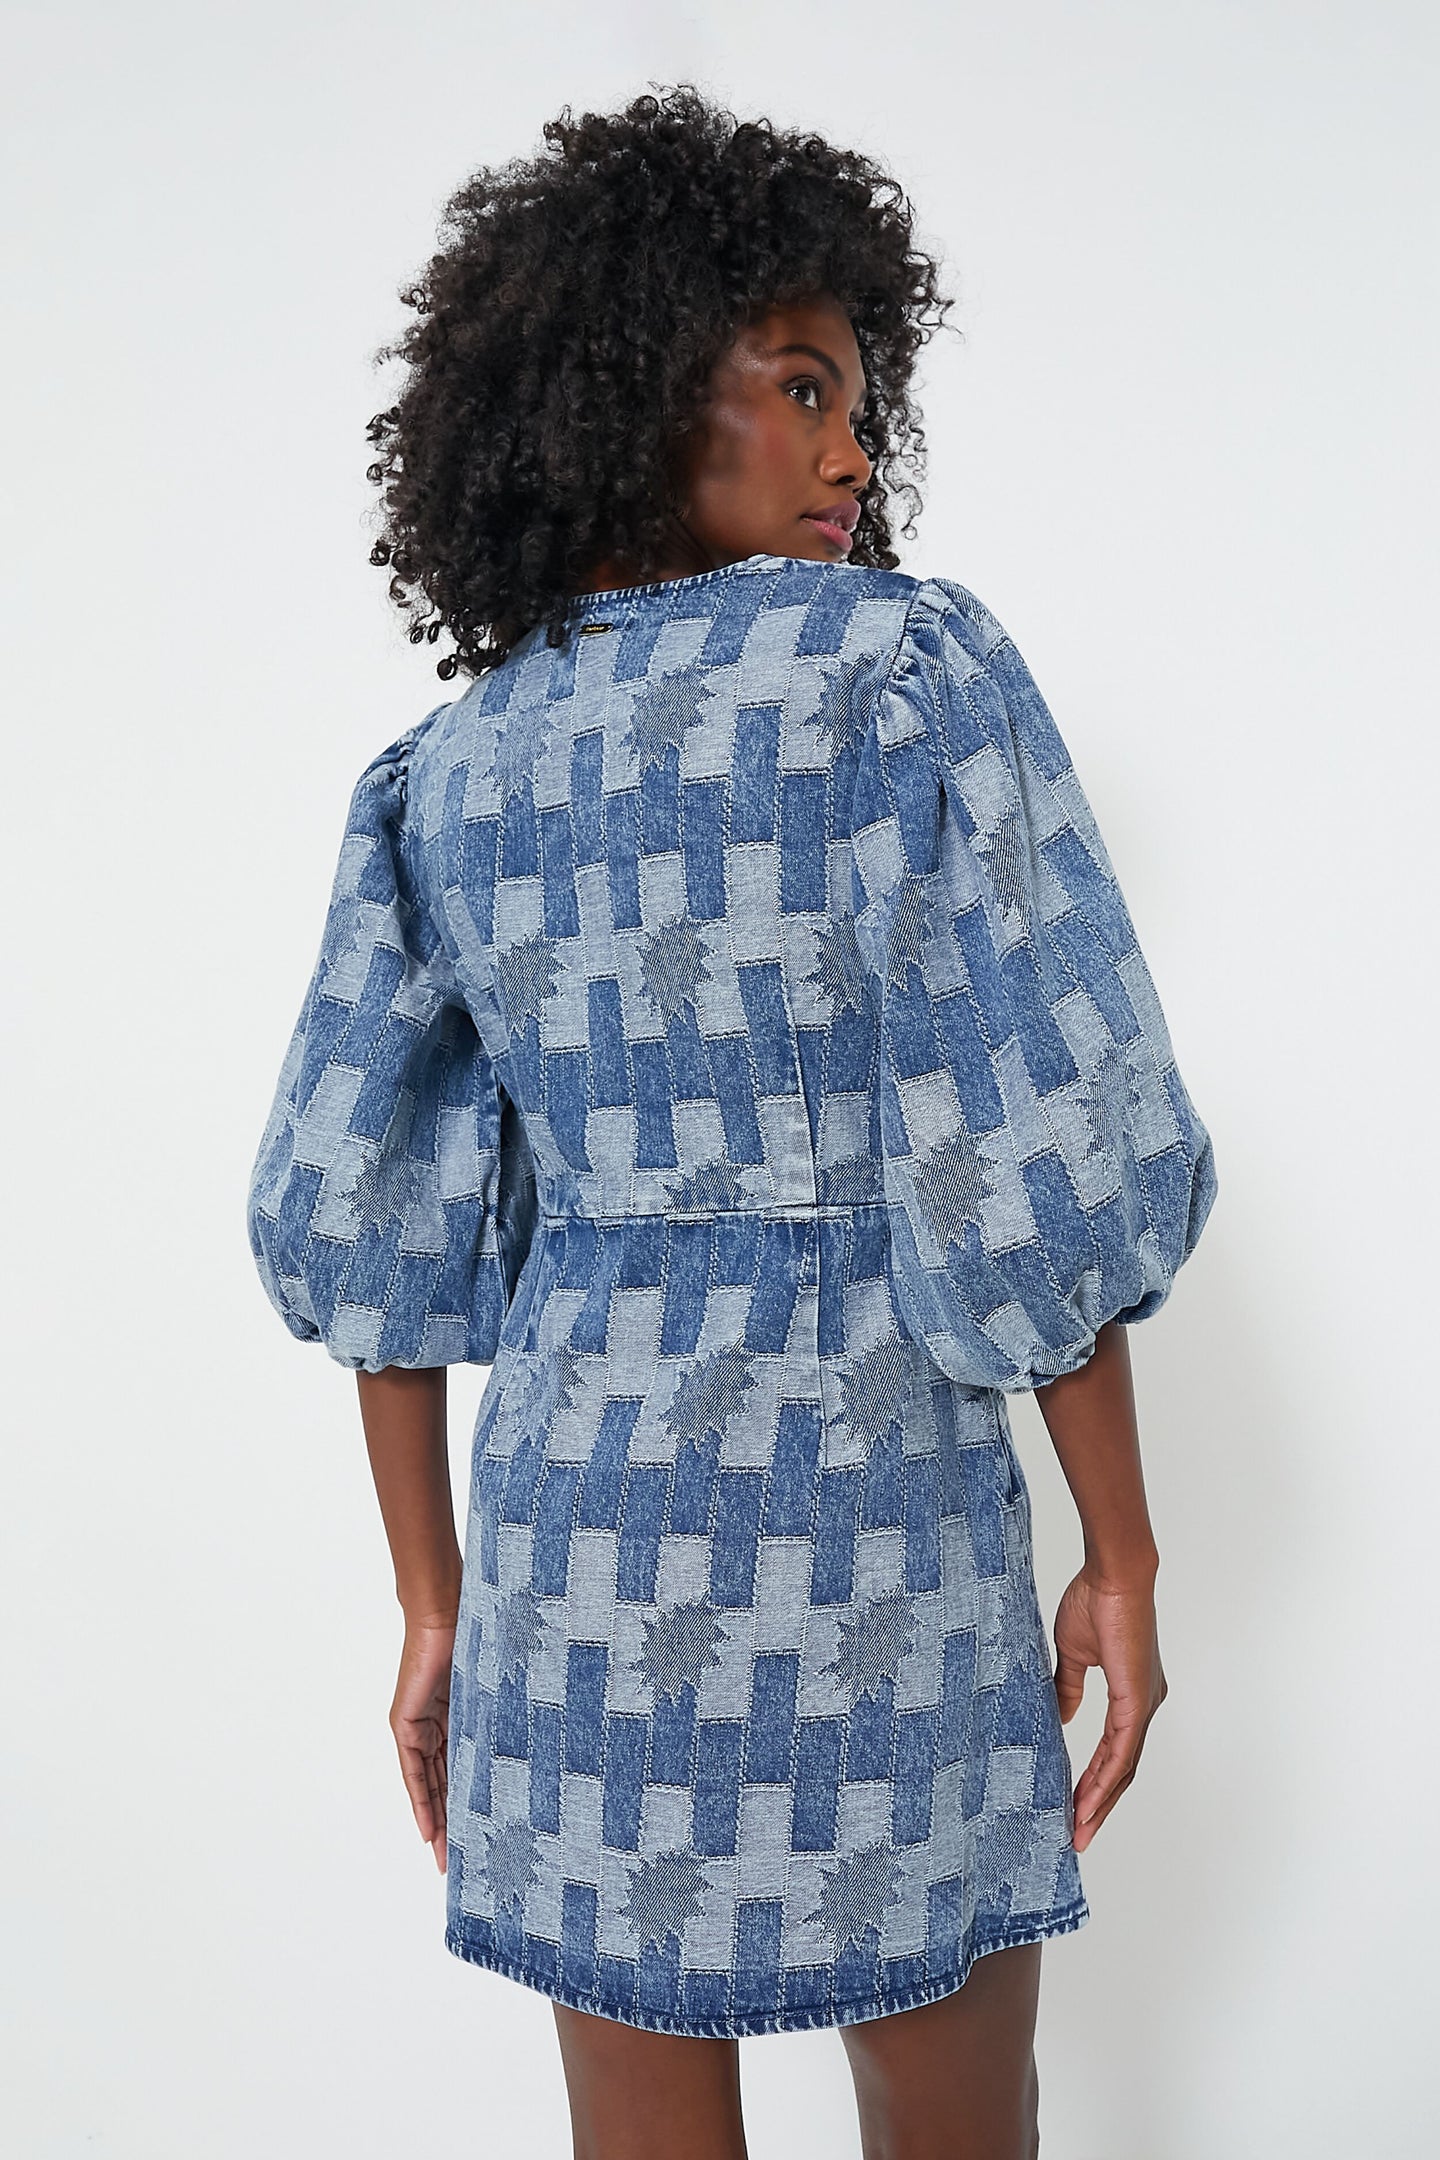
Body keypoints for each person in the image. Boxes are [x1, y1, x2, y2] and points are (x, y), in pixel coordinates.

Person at [246, 86, 1217, 2160]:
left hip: (577, 1555)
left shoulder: (444, 776)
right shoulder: (899, 679)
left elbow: (369, 1230)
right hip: (876, 1518)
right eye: (797, 385)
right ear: (624, 393)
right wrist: (1120, 1554)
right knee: (960, 2119)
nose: (852, 451)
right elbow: (1033, 1152)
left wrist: (434, 1602)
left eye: (859, 401)